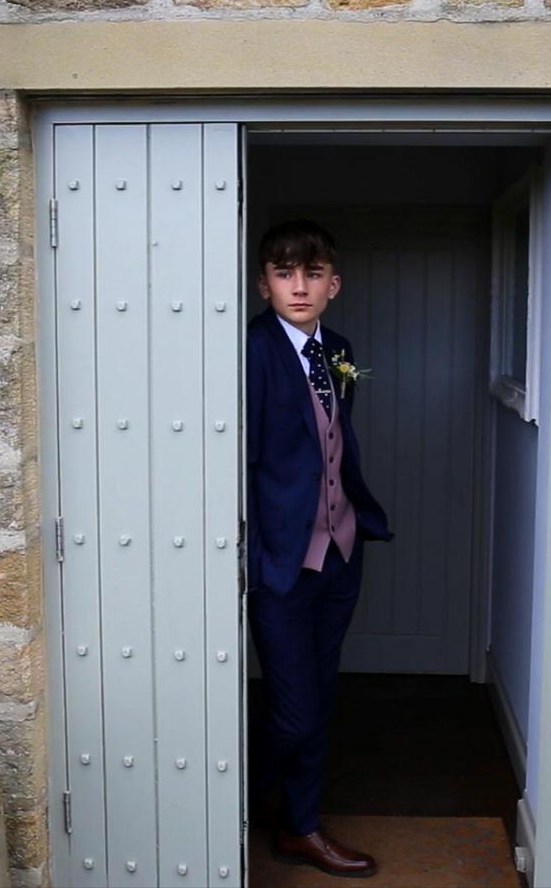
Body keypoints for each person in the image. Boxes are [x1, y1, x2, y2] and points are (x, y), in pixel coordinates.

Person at [246, 219, 393, 878]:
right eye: (284, 273)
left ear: (333, 284)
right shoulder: (250, 351)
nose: (298, 286)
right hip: (281, 560)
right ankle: (289, 821)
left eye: (311, 274)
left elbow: (332, 446)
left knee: (320, 695)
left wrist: (352, 524)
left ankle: (284, 809)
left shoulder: (339, 348)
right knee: (296, 707)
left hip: (339, 553)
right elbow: (243, 461)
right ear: (263, 284)